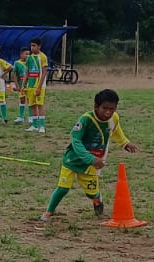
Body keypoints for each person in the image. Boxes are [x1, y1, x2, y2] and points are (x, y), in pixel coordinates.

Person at [41, 88, 136, 219]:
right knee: (63, 188)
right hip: (73, 160)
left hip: (92, 164)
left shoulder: (114, 118)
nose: (108, 112)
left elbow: (116, 130)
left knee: (91, 192)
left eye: (112, 109)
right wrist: (90, 158)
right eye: (104, 108)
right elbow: (76, 141)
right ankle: (49, 211)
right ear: (96, 106)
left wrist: (125, 143)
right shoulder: (85, 120)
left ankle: (97, 199)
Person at [27, 37, 49, 134]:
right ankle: (35, 125)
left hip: (40, 85)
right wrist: (23, 85)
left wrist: (39, 87)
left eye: (34, 46)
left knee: (40, 105)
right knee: (32, 105)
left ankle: (42, 126)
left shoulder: (43, 57)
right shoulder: (29, 57)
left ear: (39, 46)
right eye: (31, 45)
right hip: (30, 85)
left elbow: (44, 73)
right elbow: (27, 72)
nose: (32, 47)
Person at [11, 44, 30, 127]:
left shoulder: (30, 62)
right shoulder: (17, 63)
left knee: (30, 100)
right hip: (21, 84)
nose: (27, 56)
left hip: (29, 84)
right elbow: (15, 74)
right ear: (21, 54)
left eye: (29, 54)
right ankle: (21, 117)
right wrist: (16, 85)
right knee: (22, 99)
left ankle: (31, 117)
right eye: (26, 54)